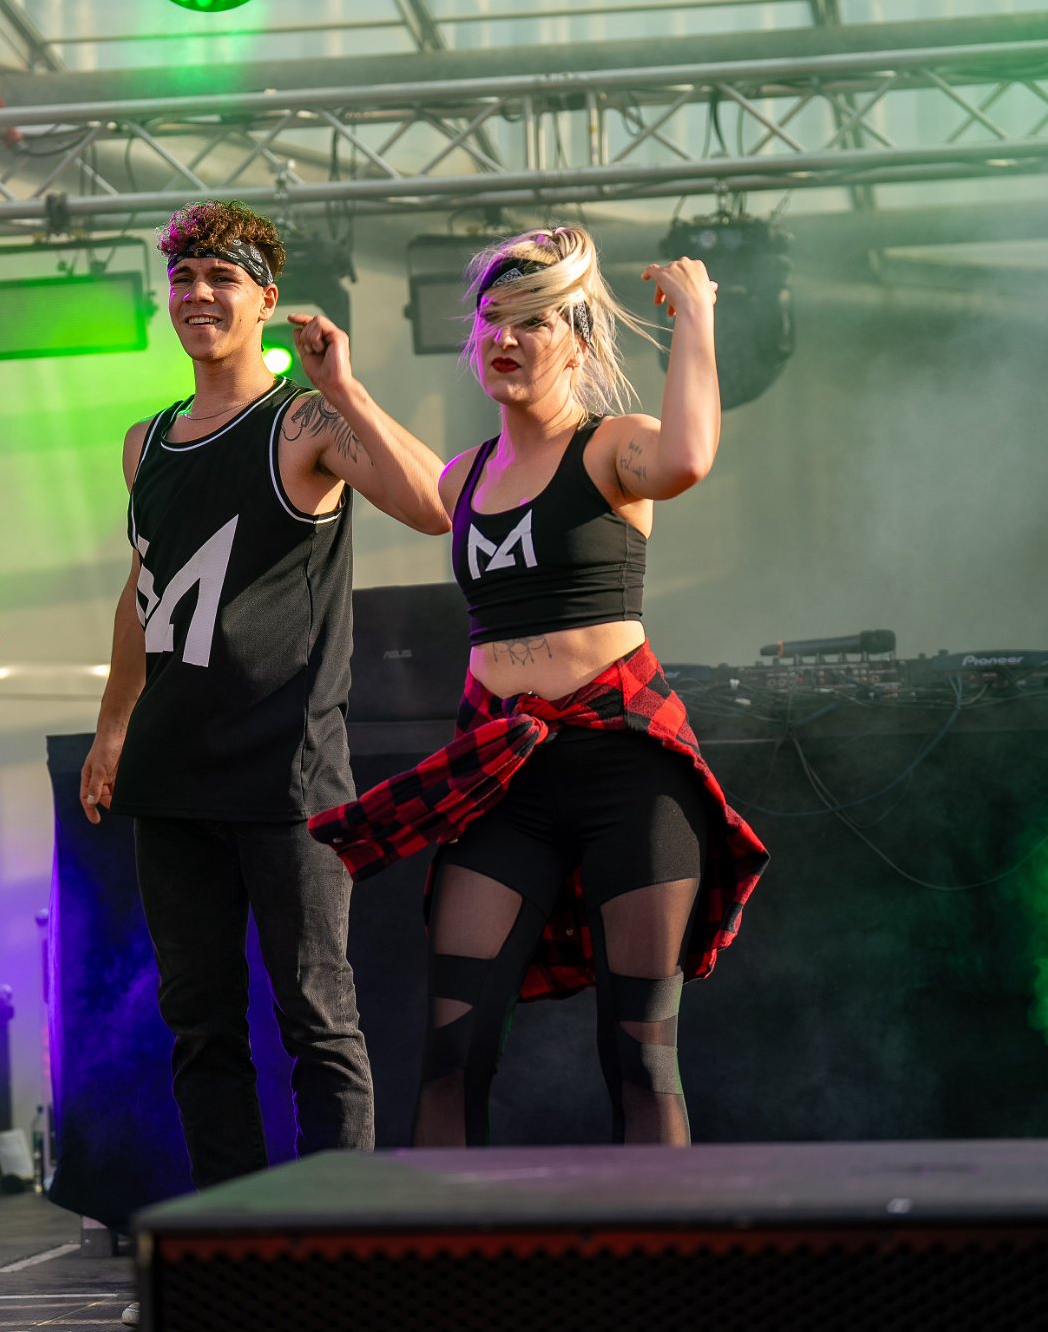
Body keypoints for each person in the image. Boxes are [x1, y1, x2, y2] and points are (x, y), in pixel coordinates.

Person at [309, 225, 770, 1148]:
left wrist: (697, 318)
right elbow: (420, 491)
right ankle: (451, 1240)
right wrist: (342, 389)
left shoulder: (613, 448)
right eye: (492, 320)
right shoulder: (468, 476)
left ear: (580, 342)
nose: (505, 338)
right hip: (506, 784)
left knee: (639, 1055)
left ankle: (669, 1235)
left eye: (532, 321)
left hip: (627, 775)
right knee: (452, 1052)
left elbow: (689, 458)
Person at [79, 201, 449, 1199]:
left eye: (221, 279)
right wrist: (113, 726)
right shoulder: (145, 441)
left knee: (316, 1017)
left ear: (266, 299)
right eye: (183, 279)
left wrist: (345, 387)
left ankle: (334, 1235)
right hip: (171, 777)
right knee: (199, 1027)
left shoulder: (302, 423)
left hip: (287, 774)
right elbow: (142, 587)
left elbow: (435, 507)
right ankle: (228, 1234)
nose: (197, 295)